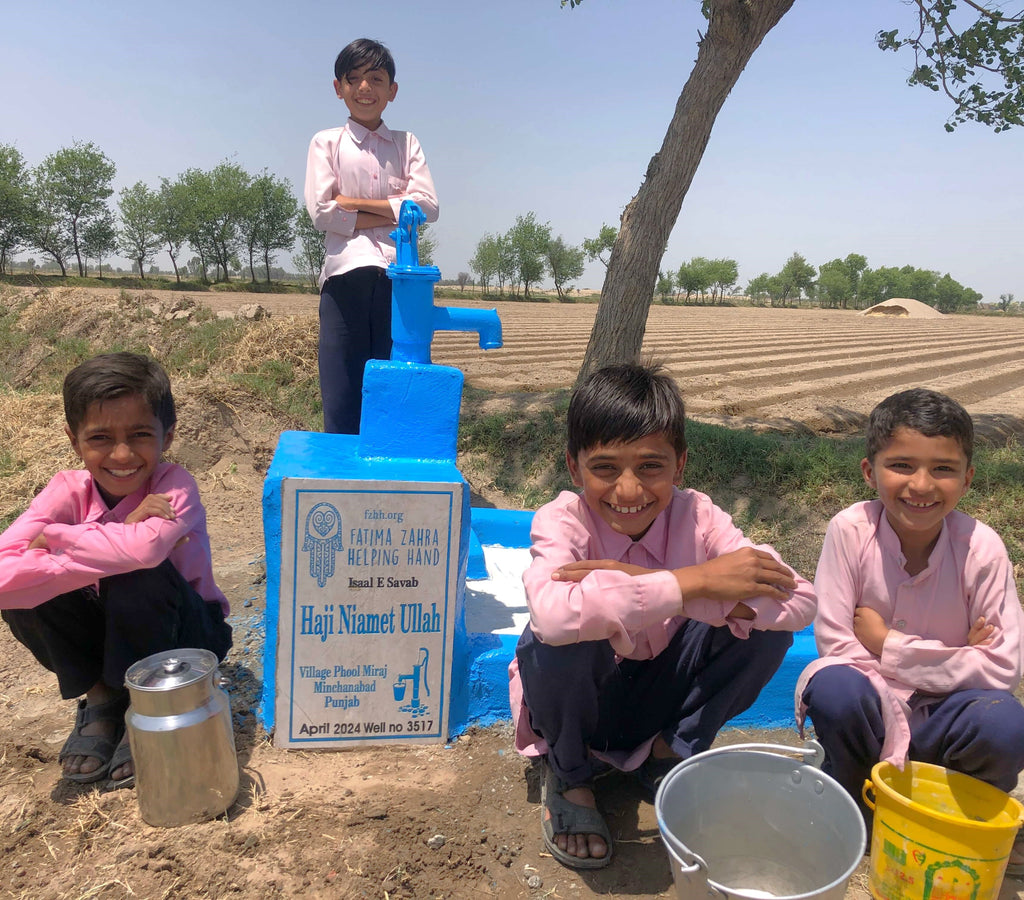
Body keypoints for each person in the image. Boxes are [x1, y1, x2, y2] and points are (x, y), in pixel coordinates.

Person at [508, 362, 816, 869]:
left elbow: (801, 599)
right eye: (605, 467)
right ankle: (570, 774)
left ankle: (665, 756)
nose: (628, 491)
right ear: (573, 466)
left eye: (650, 466)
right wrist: (695, 580)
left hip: (658, 696)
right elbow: (553, 618)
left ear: (680, 465)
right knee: (564, 637)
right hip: (582, 700)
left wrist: (673, 590)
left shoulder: (700, 515)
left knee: (764, 636)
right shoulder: (561, 519)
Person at [796, 388, 1024, 874]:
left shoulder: (982, 548)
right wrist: (959, 655)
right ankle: (857, 803)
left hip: (947, 719)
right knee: (835, 686)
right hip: (870, 711)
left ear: (967, 479)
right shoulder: (850, 530)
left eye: (943, 469)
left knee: (1003, 720)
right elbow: (836, 644)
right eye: (901, 465)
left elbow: (1002, 668)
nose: (921, 485)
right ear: (868, 471)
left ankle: (955, 814)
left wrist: (886, 644)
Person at [0, 352, 232, 789]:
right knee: (28, 593)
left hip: (189, 637)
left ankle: (147, 709)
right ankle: (103, 698)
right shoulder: (65, 490)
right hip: (111, 632)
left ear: (167, 436)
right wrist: (111, 535)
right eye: (101, 437)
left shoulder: (174, 485)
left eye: (140, 434)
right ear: (74, 440)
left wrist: (55, 540)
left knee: (136, 573)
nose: (122, 454)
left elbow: (144, 552)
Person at [304, 37, 439, 434]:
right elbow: (322, 211)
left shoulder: (406, 143)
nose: (365, 88)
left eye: (376, 79)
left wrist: (354, 202)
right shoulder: (326, 143)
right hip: (346, 280)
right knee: (344, 397)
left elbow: (429, 207)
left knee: (394, 395)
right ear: (338, 87)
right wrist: (396, 206)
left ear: (392, 90)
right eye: (355, 78)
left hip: (400, 283)